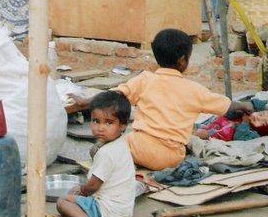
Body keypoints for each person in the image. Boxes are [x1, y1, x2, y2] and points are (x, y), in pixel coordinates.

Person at [71, 29, 254, 171]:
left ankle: (125, 167)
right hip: (171, 157)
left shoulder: (144, 80)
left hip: (138, 147)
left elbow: (114, 95)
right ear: (183, 61)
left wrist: (86, 102)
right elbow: (227, 105)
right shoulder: (195, 90)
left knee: (103, 148)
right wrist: (245, 105)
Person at [56, 91, 136, 217]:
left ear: (123, 125)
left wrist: (81, 190)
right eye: (95, 121)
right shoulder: (119, 143)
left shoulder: (107, 153)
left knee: (63, 201)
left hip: (108, 213)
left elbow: (93, 186)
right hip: (123, 210)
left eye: (108, 123)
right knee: (75, 199)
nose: (100, 128)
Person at [194, 109, 268, 142]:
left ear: (265, 130)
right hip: (211, 126)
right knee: (193, 125)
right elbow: (227, 115)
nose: (258, 117)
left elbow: (238, 137)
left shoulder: (254, 135)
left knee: (200, 134)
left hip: (215, 136)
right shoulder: (244, 116)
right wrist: (236, 112)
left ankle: (190, 137)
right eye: (260, 114)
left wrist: (244, 123)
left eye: (263, 122)